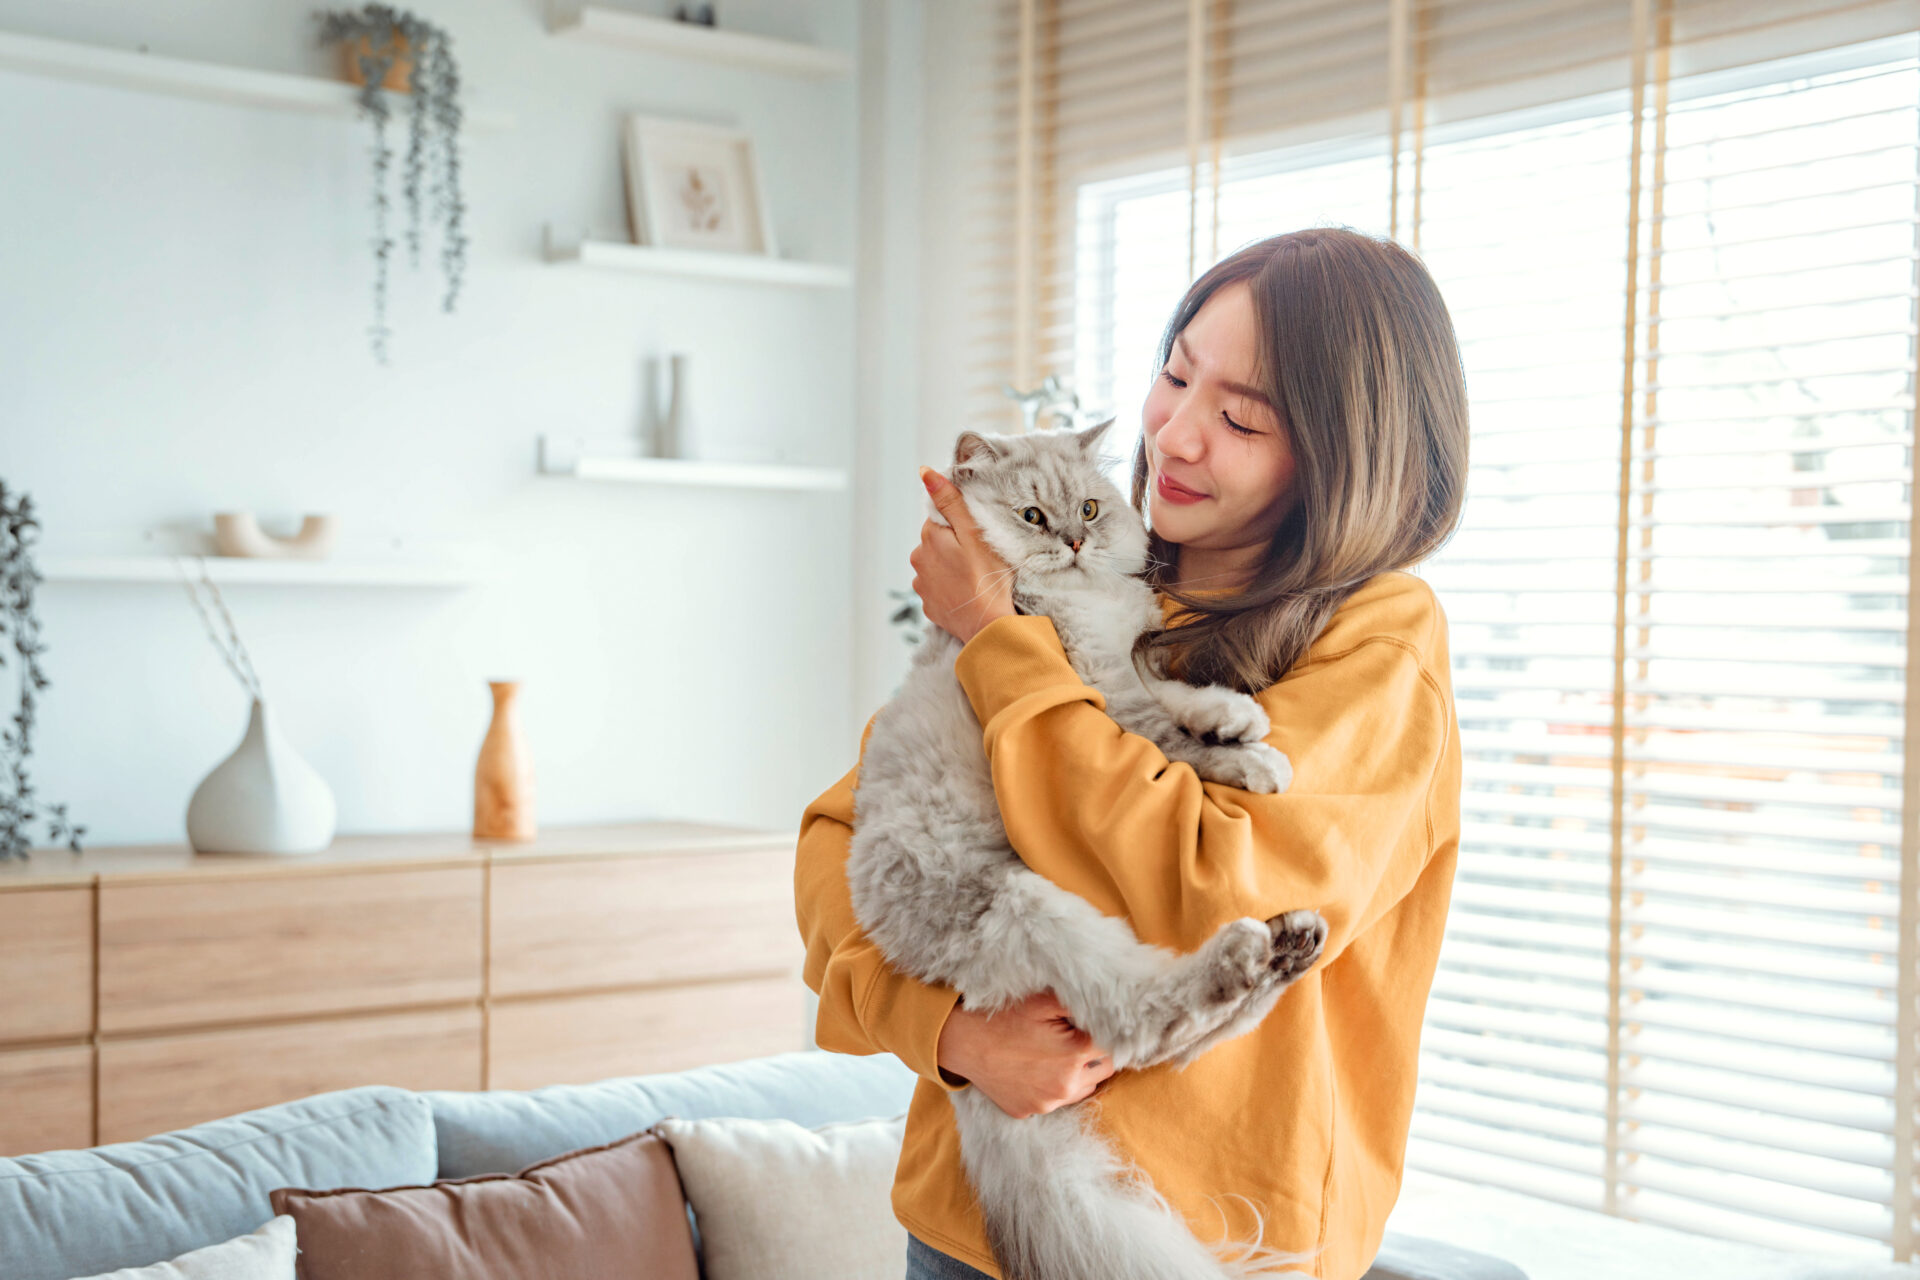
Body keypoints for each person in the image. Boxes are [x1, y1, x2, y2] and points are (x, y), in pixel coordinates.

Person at [794, 226, 1470, 1280]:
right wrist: (953, 1034)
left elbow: (1210, 886)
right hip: (970, 1232)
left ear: (1343, 452)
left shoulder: (1381, 639)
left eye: (1241, 415)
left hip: (1218, 1238)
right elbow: (840, 848)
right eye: (1176, 375)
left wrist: (1000, 636)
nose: (1178, 435)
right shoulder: (1084, 576)